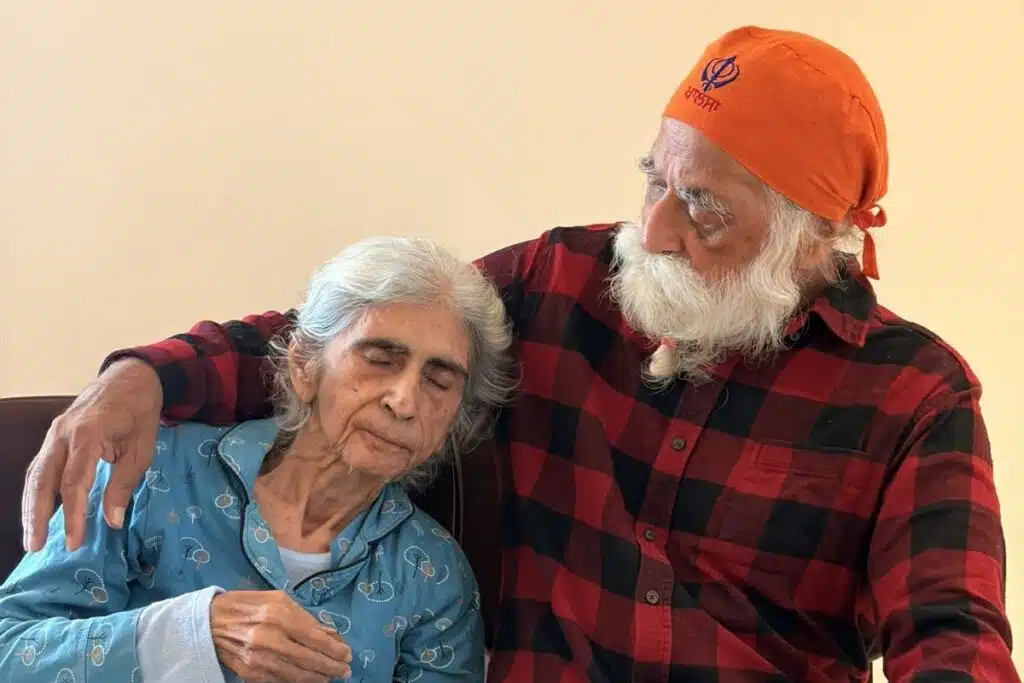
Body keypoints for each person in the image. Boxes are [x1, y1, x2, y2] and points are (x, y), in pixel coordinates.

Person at [19, 25, 1019, 683]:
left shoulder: (913, 393)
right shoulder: (561, 279)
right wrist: (144, 374)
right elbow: (351, 332)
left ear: (809, 238)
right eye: (654, 182)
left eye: (704, 206)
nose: (655, 231)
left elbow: (954, 636)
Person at [3, 236, 515, 683]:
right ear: (303, 367)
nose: (404, 401)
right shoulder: (153, 472)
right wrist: (194, 633)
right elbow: (12, 650)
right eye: (380, 359)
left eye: (439, 380)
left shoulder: (434, 577)